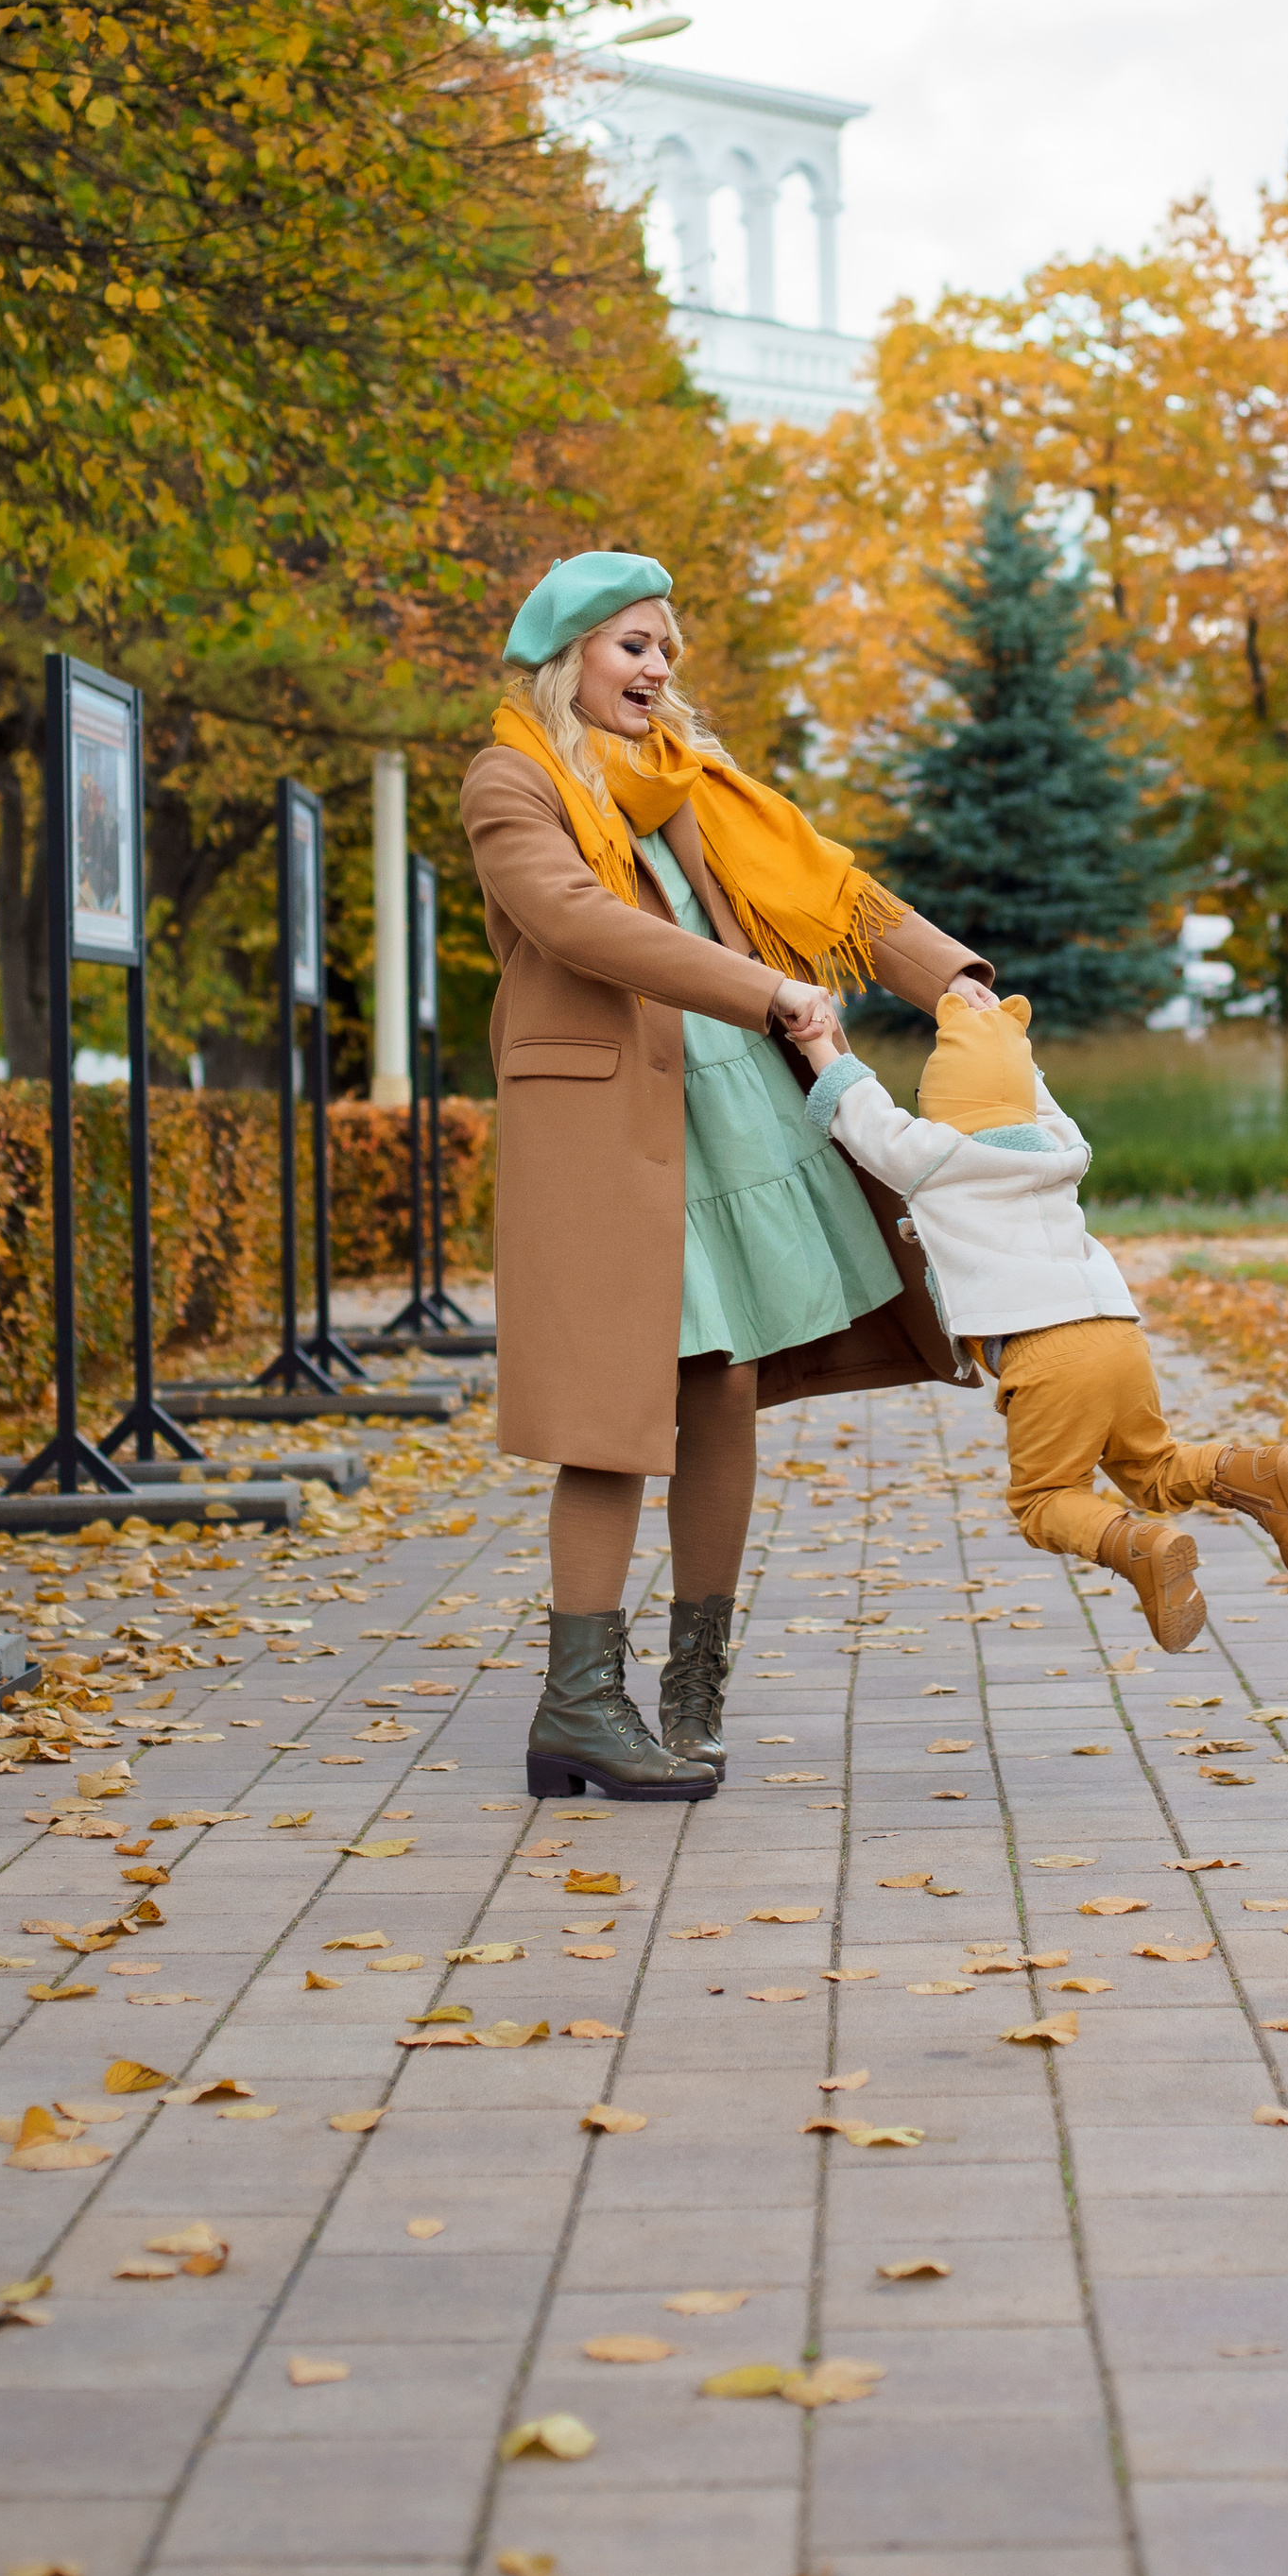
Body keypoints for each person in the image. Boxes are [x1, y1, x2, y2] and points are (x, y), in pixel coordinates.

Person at [460, 548, 998, 1801]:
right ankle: (578, 1705)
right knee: (609, 1417)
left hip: (733, 1112)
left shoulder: (691, 786)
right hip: (607, 1126)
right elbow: (575, 922)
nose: (657, 667)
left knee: (722, 1383)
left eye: (666, 650)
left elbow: (835, 889)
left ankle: (691, 1693)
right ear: (568, 657)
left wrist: (951, 980)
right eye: (633, 644)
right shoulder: (511, 780)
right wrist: (767, 989)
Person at [783, 984, 1288, 1643]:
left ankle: (1140, 1549)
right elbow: (1034, 1098)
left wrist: (818, 1041)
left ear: (939, 1102)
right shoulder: (1059, 1150)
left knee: (1044, 1501)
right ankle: (1259, 1472)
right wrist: (1012, 1046)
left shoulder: (932, 1158)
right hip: (1115, 1330)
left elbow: (863, 1116)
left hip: (1044, 1349)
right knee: (1152, 1468)